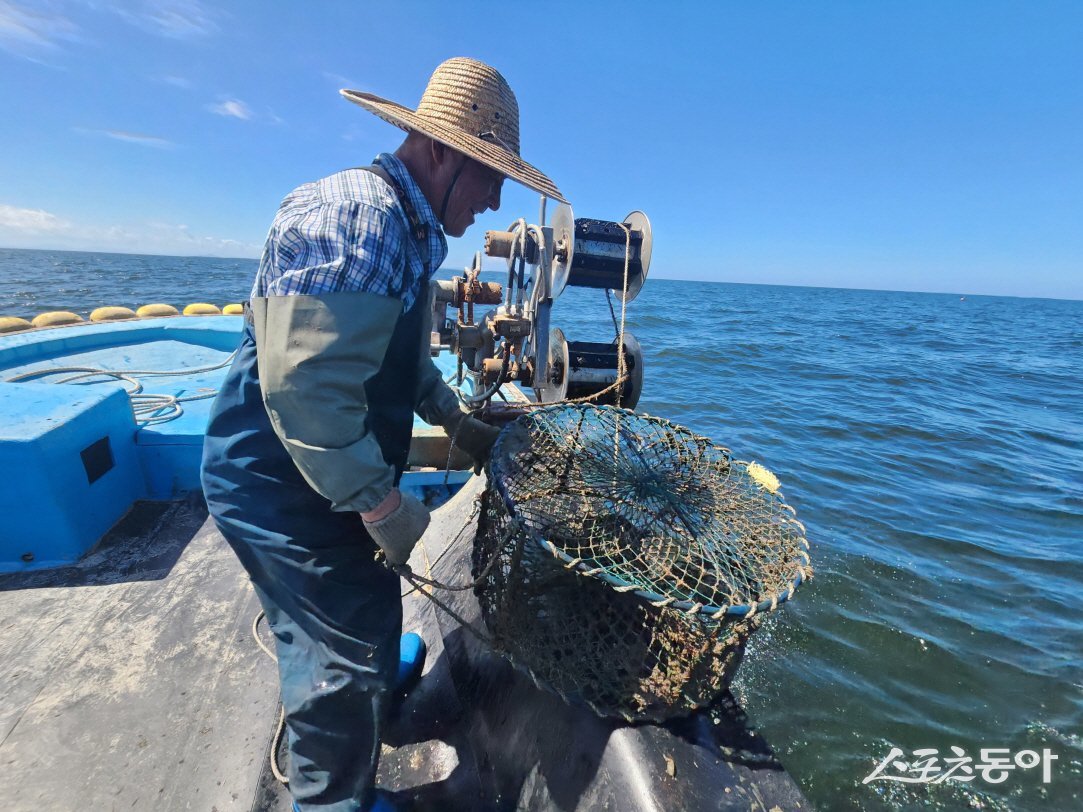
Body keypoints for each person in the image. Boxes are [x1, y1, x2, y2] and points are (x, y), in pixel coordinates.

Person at [200, 57, 564, 812]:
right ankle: (335, 798)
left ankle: (375, 683)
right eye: (489, 176)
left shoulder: (408, 228)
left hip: (325, 468)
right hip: (277, 479)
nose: (496, 201)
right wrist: (378, 503)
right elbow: (306, 393)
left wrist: (456, 422)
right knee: (334, 653)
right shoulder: (359, 216)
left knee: (368, 599)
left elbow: (401, 359)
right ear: (439, 154)